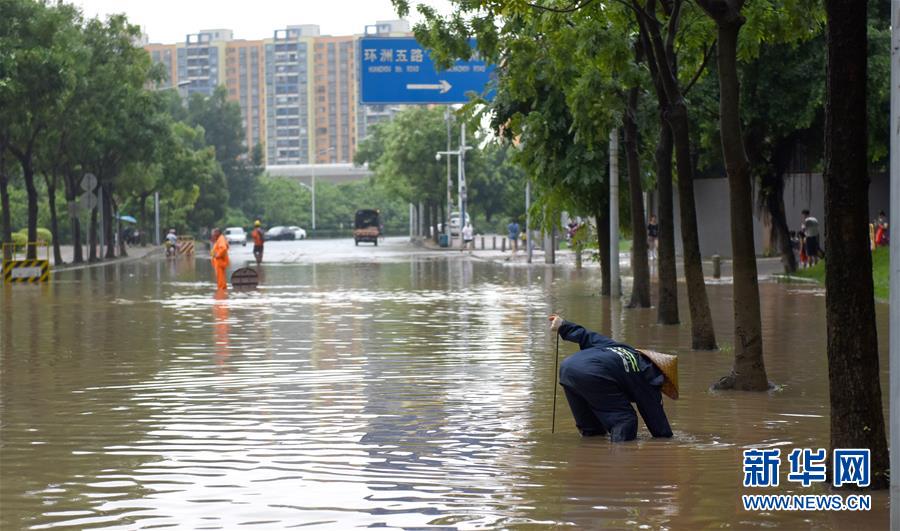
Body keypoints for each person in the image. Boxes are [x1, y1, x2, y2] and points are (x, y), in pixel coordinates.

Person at [549, 314, 675, 442]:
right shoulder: (647, 377)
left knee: (593, 430)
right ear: (660, 375)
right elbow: (656, 419)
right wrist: (668, 441)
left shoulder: (621, 348)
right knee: (625, 420)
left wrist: (563, 325)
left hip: (567, 368)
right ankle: (619, 458)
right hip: (593, 373)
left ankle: (587, 456)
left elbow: (587, 336)